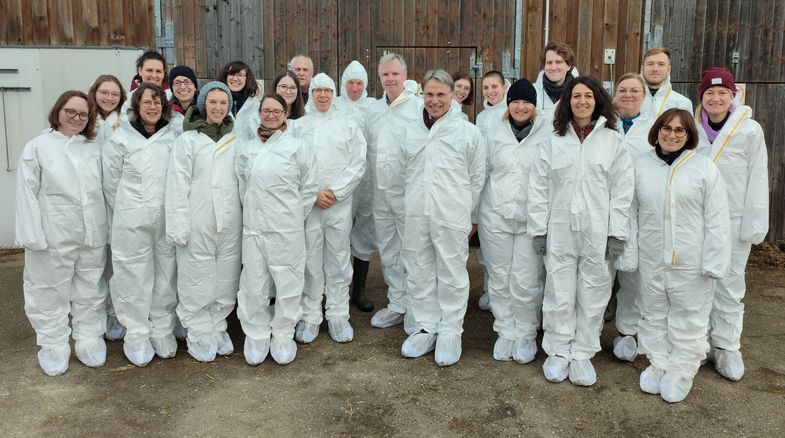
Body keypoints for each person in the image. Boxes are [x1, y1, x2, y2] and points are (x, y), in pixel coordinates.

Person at [527, 76, 634, 386]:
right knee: (558, 291)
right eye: (576, 96)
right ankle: (559, 350)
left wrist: (617, 233)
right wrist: (538, 229)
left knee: (595, 291)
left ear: (598, 100)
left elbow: (623, 190)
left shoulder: (612, 139)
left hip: (597, 229)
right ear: (568, 101)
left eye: (588, 96)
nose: (582, 101)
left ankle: (584, 351)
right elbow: (538, 186)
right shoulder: (555, 138)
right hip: (560, 227)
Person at [635, 108, 731, 402]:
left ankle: (681, 369)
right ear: (657, 131)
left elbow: (718, 218)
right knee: (653, 314)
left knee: (689, 318)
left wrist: (715, 260)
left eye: (680, 130)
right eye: (666, 128)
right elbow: (630, 211)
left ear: (689, 135)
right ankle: (659, 362)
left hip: (691, 261)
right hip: (651, 257)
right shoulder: (642, 166)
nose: (672, 135)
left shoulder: (703, 168)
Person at [397, 69, 485, 366]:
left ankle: (450, 330)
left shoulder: (467, 132)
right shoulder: (410, 129)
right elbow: (399, 173)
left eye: (441, 95)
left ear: (452, 96)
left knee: (451, 271)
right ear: (421, 94)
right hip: (417, 212)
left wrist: (470, 214)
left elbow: (477, 176)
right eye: (429, 94)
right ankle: (426, 325)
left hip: (451, 213)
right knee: (419, 268)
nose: (435, 100)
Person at [16, 90, 107, 376]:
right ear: (58, 112)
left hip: (91, 233)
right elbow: (26, 193)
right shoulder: (38, 147)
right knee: (49, 291)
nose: (77, 118)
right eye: (71, 112)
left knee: (90, 289)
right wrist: (32, 235)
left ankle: (88, 338)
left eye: (83, 114)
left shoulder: (92, 147)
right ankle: (54, 344)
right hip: (53, 235)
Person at [694, 67, 769, 381]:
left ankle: (725, 346)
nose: (715, 98)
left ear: (732, 94)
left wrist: (753, 224)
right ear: (702, 97)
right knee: (696, 284)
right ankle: (697, 344)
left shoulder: (749, 130)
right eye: (709, 93)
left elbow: (758, 177)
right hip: (696, 222)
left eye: (721, 92)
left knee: (729, 284)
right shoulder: (692, 129)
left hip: (733, 221)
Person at [236, 93, 318, 366]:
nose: (270, 115)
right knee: (254, 283)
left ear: (286, 115)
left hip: (286, 228)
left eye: (276, 111)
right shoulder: (247, 148)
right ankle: (257, 334)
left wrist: (293, 216)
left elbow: (308, 187)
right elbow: (241, 187)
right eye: (266, 110)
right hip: (254, 228)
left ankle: (283, 333)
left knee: (288, 282)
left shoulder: (297, 147)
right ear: (259, 113)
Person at [103, 83, 180, 367]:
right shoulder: (120, 139)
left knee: (165, 272)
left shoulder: (172, 137)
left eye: (158, 102)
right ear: (136, 106)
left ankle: (161, 327)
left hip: (165, 217)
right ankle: (136, 332)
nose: (152, 107)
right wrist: (127, 211)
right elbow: (110, 184)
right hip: (131, 218)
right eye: (147, 102)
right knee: (132, 274)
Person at [165, 82, 242, 363]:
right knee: (196, 280)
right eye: (213, 102)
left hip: (231, 223)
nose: (218, 108)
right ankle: (198, 331)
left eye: (224, 102)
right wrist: (177, 225)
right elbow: (176, 185)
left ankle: (218, 326)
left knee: (225, 279)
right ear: (202, 105)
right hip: (198, 222)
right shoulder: (189, 140)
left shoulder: (236, 140)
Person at [291, 73, 367, 344]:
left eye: (327, 90)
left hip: (338, 205)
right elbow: (293, 166)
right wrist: (313, 195)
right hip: (310, 205)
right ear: (310, 93)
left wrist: (336, 192)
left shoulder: (348, 125)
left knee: (337, 258)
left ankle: (337, 312)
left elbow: (358, 163)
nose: (322, 95)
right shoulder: (299, 126)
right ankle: (311, 314)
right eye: (317, 90)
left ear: (334, 94)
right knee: (311, 259)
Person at [478, 79, 550, 363]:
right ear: (509, 104)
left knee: (526, 280)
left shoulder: (547, 134)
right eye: (515, 101)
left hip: (530, 220)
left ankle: (526, 333)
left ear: (534, 105)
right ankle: (505, 330)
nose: (521, 107)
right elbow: (480, 173)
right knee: (498, 277)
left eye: (526, 102)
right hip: (495, 215)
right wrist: (473, 215)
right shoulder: (494, 132)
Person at [365, 53, 421, 332]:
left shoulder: (417, 107)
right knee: (388, 249)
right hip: (380, 191)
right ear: (379, 77)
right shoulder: (374, 110)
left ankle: (415, 305)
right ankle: (397, 302)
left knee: (411, 249)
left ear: (405, 75)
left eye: (395, 74)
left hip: (406, 191)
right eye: (385, 74)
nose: (390, 79)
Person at [608, 72, 658, 362]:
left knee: (633, 277)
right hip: (604, 208)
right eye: (622, 90)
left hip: (639, 211)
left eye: (634, 91)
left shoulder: (653, 128)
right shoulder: (604, 125)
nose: (628, 95)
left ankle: (627, 331)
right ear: (614, 95)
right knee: (600, 276)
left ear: (643, 95)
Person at [87, 75, 127, 341]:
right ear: (95, 93)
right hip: (92, 199)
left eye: (114, 94)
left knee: (117, 263)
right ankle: (95, 315)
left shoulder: (122, 122)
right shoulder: (86, 120)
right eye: (104, 92)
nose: (109, 98)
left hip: (119, 200)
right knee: (93, 264)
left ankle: (116, 314)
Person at [338, 60, 376, 312]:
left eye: (359, 83)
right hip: (340, 180)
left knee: (364, 232)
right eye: (350, 83)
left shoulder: (373, 107)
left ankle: (358, 290)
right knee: (338, 234)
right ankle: (337, 289)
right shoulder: (333, 105)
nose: (354, 88)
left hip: (368, 181)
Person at [474, 70, 509, 312]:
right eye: (486, 88)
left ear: (504, 87)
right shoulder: (481, 116)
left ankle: (504, 290)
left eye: (494, 87)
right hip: (483, 182)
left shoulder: (509, 112)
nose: (490, 92)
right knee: (487, 240)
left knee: (502, 241)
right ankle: (489, 287)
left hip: (502, 181)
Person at [640, 47, 693, 118]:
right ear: (642, 68)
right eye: (650, 64)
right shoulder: (629, 99)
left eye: (661, 64)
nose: (655, 69)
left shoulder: (682, 104)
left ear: (669, 69)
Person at [533, 42, 579, 122]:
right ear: (544, 66)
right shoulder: (532, 92)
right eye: (549, 62)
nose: (553, 68)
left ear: (569, 66)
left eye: (558, 62)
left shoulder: (578, 93)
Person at [217, 61, 261, 140]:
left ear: (247, 78)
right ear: (225, 77)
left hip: (249, 151)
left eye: (240, 75)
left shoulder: (256, 106)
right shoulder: (217, 104)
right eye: (231, 74)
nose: (235, 79)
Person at [120, 51, 170, 121]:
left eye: (158, 71)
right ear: (140, 71)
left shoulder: (171, 97)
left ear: (164, 73)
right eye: (149, 70)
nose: (154, 75)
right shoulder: (129, 99)